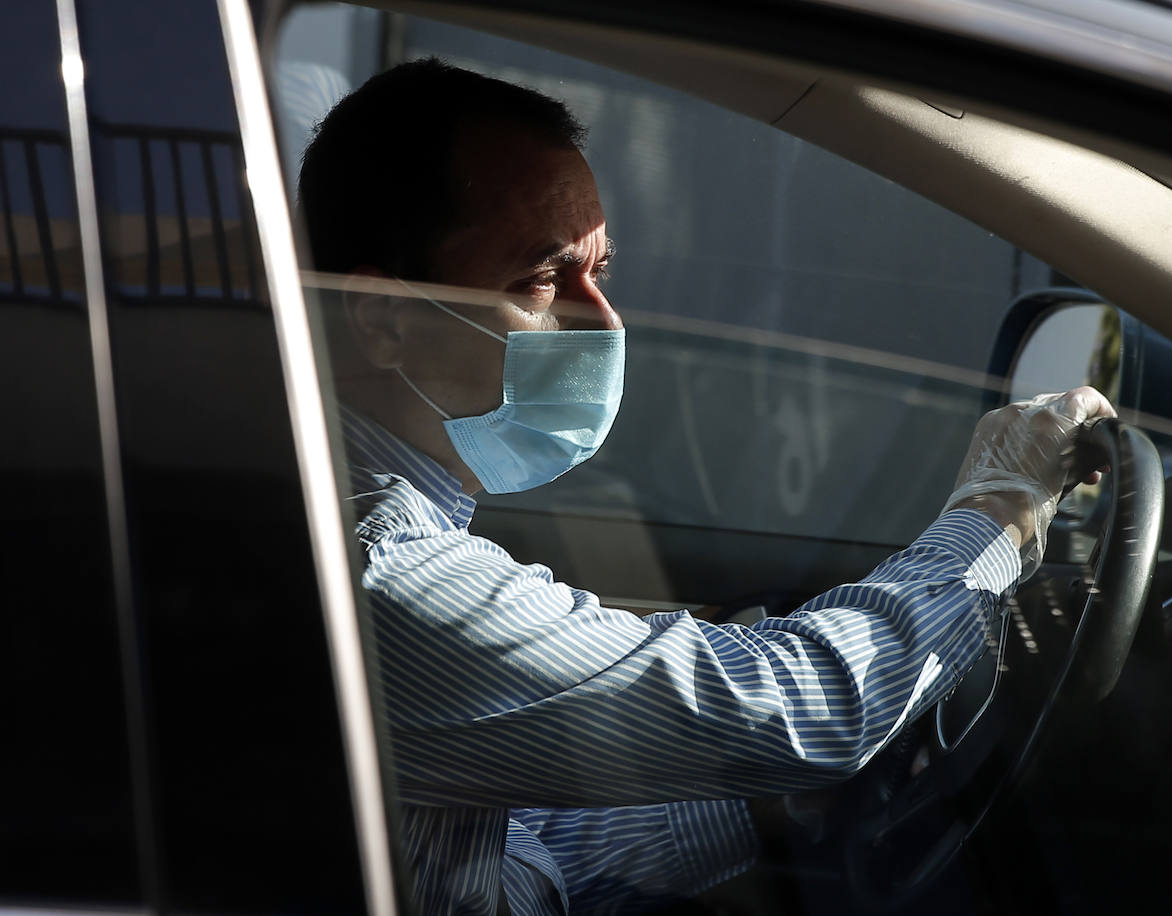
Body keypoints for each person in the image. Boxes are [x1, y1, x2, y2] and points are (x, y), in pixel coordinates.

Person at [297, 58, 1115, 915]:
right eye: (541, 280)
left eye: (599, 273)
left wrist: (759, 802)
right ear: (385, 316)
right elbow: (802, 709)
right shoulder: (376, 570)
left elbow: (508, 867)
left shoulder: (371, 515)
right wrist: (1000, 508)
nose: (603, 322)